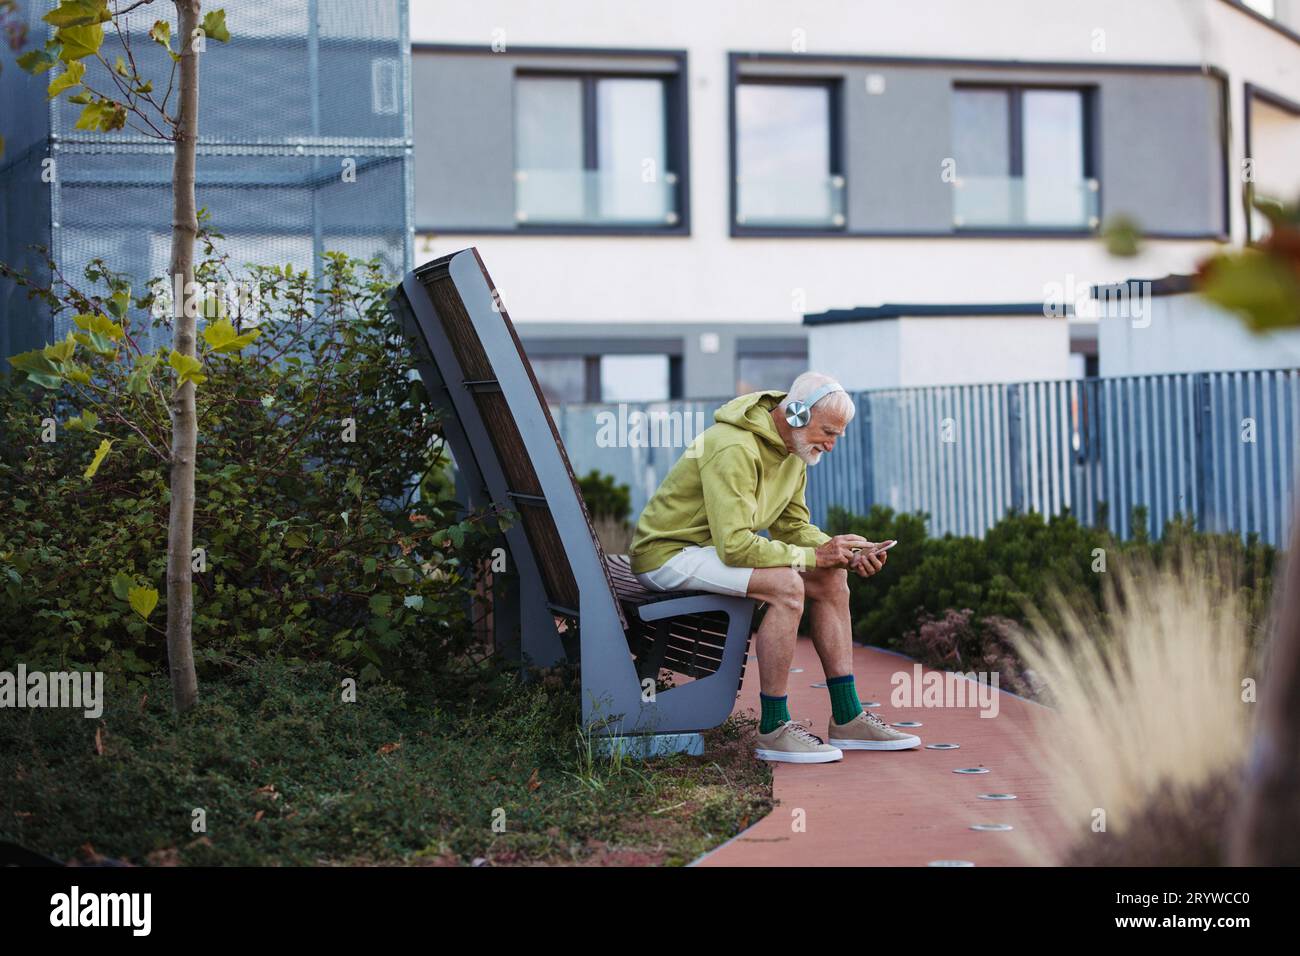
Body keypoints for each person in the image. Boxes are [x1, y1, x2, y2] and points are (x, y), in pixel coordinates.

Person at [629, 371, 921, 763]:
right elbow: (733, 547)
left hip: (710, 552)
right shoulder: (731, 447)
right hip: (669, 555)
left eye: (838, 436)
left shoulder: (794, 451)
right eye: (829, 432)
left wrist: (841, 552)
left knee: (831, 579)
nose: (832, 446)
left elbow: (793, 527)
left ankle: (849, 717)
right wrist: (814, 556)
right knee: (786, 585)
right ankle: (774, 728)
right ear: (797, 414)